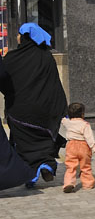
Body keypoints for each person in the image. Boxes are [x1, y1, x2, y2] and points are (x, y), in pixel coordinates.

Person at [0, 23, 68, 187]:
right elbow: (55, 84)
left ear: (24, 37)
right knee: (44, 141)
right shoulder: (46, 57)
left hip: (20, 110)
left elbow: (4, 80)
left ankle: (30, 174)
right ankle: (45, 164)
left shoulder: (12, 58)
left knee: (22, 142)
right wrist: (61, 109)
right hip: (44, 111)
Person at [60, 102, 95, 193]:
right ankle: (87, 184)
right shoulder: (85, 124)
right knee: (85, 166)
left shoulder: (68, 122)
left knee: (70, 166)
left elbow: (62, 120)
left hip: (71, 146)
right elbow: (89, 137)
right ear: (82, 114)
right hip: (83, 146)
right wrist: (94, 147)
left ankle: (68, 183)